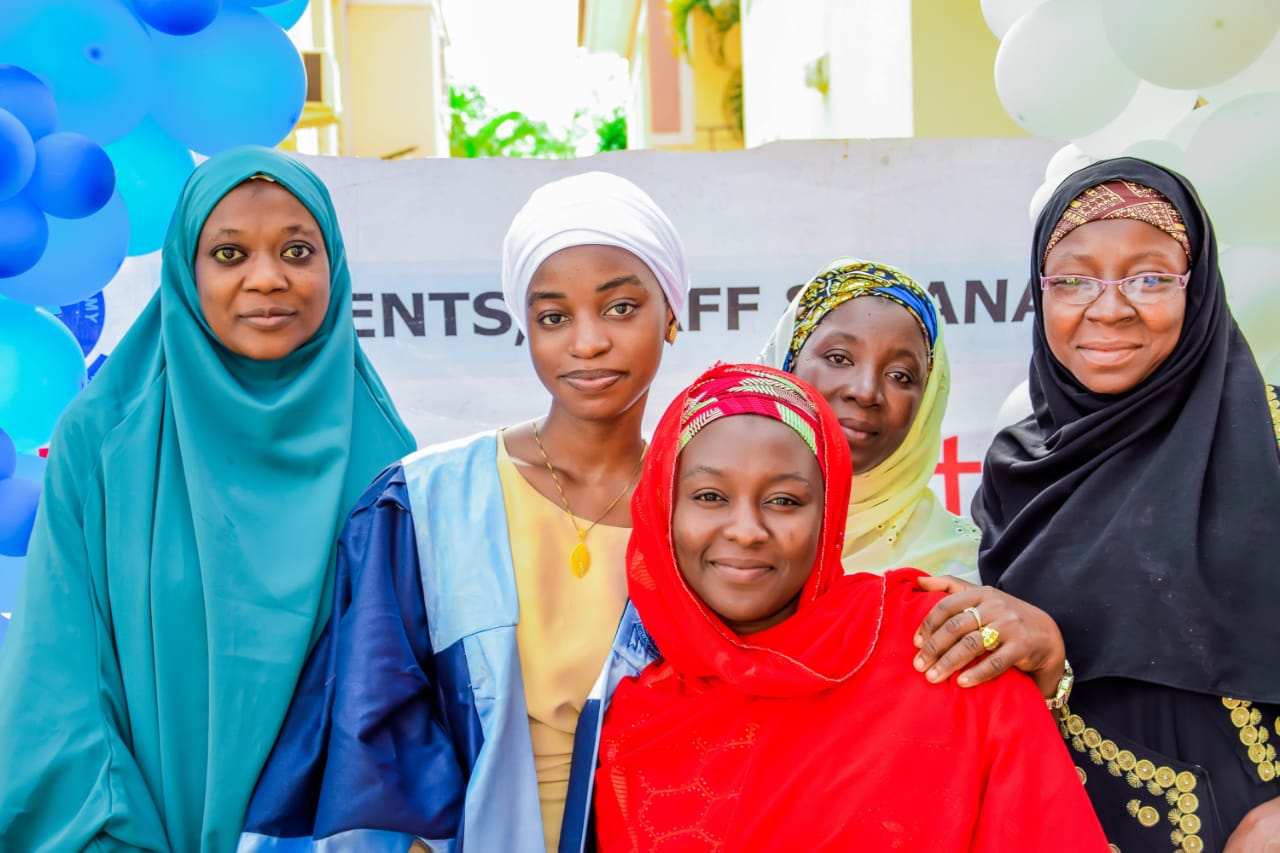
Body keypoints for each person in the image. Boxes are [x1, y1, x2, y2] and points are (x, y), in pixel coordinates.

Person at [239, 171, 689, 853]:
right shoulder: (429, 501)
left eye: (620, 308)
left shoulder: (705, 507)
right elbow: (374, 727)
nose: (588, 341)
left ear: (674, 312)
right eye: (553, 316)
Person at [0, 147, 415, 852]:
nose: (267, 278)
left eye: (296, 250)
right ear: (185, 273)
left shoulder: (385, 459)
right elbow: (61, 678)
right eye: (228, 253)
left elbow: (404, 707)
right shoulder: (104, 441)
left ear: (333, 268)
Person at [916, 158, 1280, 851]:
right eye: (1075, 279)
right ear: (1041, 293)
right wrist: (1044, 662)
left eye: (1148, 277)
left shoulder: (1271, 440)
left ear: (1197, 289)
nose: (1109, 307)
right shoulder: (1017, 469)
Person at [593, 362, 1107, 851]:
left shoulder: (936, 646)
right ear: (663, 508)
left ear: (830, 511)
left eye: (784, 501)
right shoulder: (632, 723)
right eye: (709, 496)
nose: (747, 531)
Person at [759, 257, 981, 580]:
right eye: (839, 358)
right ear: (788, 364)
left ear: (927, 402)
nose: (865, 392)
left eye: (900, 376)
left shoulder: (962, 569)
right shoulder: (714, 529)